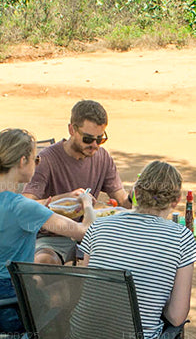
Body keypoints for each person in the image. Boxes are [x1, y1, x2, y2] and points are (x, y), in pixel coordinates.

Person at [78, 161, 196, 339]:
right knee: (170, 332)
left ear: (134, 193)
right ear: (176, 201)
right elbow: (177, 316)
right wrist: (154, 299)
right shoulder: (181, 238)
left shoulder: (98, 226)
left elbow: (84, 287)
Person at [0, 128, 94, 333]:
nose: (37, 164)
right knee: (79, 285)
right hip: (14, 308)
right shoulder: (23, 207)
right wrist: (87, 203)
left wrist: (41, 209)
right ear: (22, 161)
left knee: (49, 281)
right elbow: (84, 231)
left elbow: (6, 218)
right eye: (36, 159)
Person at [23, 100, 131, 265]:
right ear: (72, 130)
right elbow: (25, 206)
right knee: (44, 260)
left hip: (91, 235)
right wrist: (65, 198)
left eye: (100, 139)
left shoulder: (103, 157)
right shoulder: (47, 159)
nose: (94, 145)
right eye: (88, 139)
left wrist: (137, 195)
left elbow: (123, 202)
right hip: (54, 235)